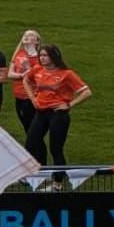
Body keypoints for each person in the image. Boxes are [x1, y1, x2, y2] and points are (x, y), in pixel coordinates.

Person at [23, 44, 92, 187]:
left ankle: (58, 181)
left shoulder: (67, 74)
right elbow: (26, 80)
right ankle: (36, 174)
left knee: (55, 148)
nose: (42, 59)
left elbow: (86, 92)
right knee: (31, 142)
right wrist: (33, 98)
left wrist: (69, 105)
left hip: (58, 114)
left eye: (45, 56)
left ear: (54, 57)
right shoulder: (37, 69)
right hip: (41, 112)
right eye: (40, 55)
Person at [7, 29, 42, 134]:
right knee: (27, 128)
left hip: (31, 96)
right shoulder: (19, 53)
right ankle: (33, 149)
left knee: (33, 130)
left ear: (37, 41)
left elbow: (39, 77)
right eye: (25, 35)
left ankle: (34, 149)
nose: (27, 37)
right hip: (19, 96)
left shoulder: (40, 57)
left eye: (31, 35)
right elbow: (10, 74)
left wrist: (27, 67)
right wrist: (22, 75)